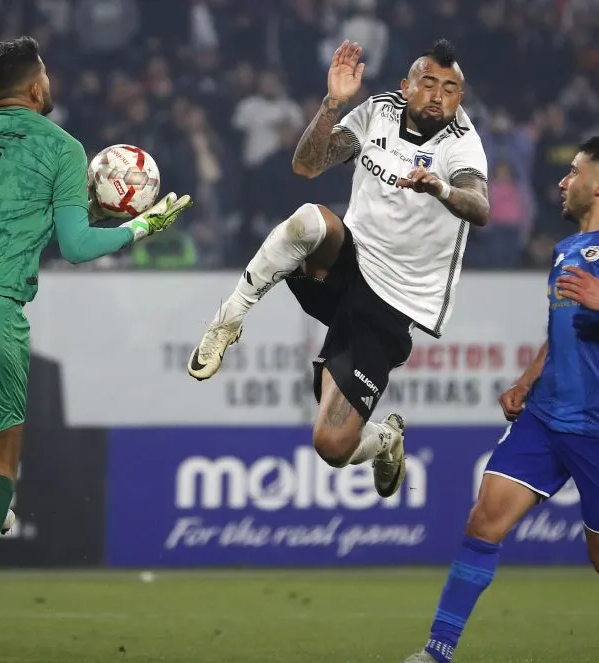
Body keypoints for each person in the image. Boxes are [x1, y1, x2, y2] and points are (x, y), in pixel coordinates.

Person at [0, 36, 191, 663]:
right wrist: (143, 227)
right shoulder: (61, 147)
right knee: (2, 462)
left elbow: (0, 209)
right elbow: (80, 247)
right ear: (36, 87)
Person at [373, 137, 599, 663]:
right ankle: (436, 657)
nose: (563, 182)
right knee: (484, 520)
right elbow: (562, 330)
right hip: (546, 419)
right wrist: (526, 381)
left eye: (574, 172)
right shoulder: (567, 250)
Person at [188, 39, 490, 499]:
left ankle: (386, 440)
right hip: (347, 266)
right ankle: (228, 318)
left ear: (459, 99)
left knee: (331, 445)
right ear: (406, 86)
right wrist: (332, 103)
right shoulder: (378, 111)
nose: (438, 95)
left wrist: (441, 190)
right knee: (311, 219)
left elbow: (480, 206)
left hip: (392, 305)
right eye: (429, 84)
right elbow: (307, 165)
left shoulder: (461, 143)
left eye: (450, 89)